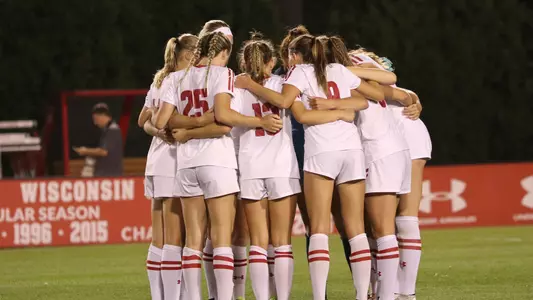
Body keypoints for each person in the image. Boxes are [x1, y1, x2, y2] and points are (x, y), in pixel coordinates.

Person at [236, 33, 381, 300]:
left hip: (321, 152)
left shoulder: (298, 74)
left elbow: (289, 107)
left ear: (297, 55)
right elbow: (367, 99)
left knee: (318, 229)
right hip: (351, 150)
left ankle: (318, 297)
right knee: (356, 228)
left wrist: (248, 84)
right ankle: (363, 295)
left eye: (290, 53)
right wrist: (339, 109)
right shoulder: (338, 69)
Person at [153, 31, 281, 300]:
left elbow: (162, 121)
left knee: (193, 241)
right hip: (217, 162)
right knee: (222, 237)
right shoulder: (223, 75)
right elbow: (223, 120)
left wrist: (187, 127)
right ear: (223, 53)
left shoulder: (176, 78)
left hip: (186, 164)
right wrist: (205, 121)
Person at [314, 47, 413, 300]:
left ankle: (388, 295)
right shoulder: (362, 63)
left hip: (377, 148)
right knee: (376, 229)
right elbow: (394, 86)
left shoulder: (337, 73)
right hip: (395, 147)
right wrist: (414, 99)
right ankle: (384, 293)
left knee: (381, 231)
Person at [350, 50, 431, 300]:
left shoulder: (351, 63)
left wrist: (413, 101)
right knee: (390, 220)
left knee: (399, 218)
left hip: (397, 134)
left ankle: (401, 291)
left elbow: (390, 83)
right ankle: (395, 290)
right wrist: (414, 100)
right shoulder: (362, 66)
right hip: (400, 134)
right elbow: (404, 93)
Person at [233, 32, 300, 300]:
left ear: (244, 62)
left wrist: (248, 84)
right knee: (282, 242)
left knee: (258, 244)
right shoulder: (284, 83)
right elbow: (288, 105)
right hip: (281, 166)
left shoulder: (236, 87)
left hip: (250, 165)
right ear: (272, 61)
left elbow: (231, 126)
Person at [137, 34, 198, 300]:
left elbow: (144, 121)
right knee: (177, 237)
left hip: (157, 160)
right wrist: (163, 130)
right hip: (175, 161)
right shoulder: (182, 81)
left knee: (159, 237)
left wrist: (156, 131)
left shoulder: (159, 78)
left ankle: (158, 295)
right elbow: (165, 121)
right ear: (190, 54)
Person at [73, 103, 123, 177]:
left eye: (96, 119)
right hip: (105, 174)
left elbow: (103, 152)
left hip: (110, 175)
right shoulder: (107, 130)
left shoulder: (113, 130)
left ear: (102, 115)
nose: (95, 123)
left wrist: (85, 151)